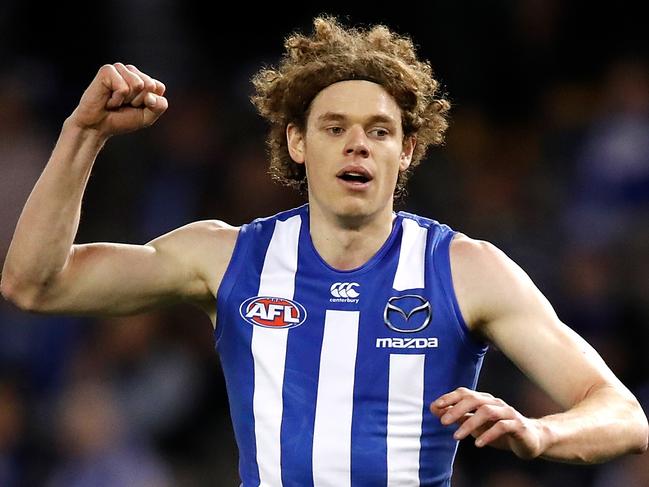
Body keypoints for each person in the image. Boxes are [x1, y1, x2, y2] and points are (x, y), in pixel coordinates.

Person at [1, 16, 647, 487]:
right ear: (297, 143)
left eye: (379, 131)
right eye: (333, 128)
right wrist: (81, 135)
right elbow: (33, 283)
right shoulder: (225, 257)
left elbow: (623, 415)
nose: (356, 145)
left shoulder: (466, 269)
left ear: (408, 152)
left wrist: (539, 434)